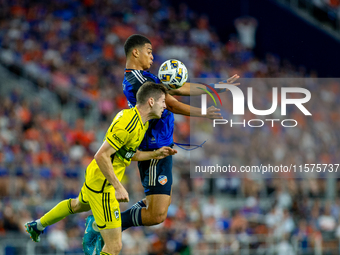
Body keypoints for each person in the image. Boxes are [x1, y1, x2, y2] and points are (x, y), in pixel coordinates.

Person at [83, 34, 240, 254]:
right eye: (149, 51)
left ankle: (105, 225)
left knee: (157, 213)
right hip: (153, 147)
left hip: (161, 145)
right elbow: (172, 104)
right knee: (156, 214)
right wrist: (203, 112)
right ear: (135, 52)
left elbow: (176, 88)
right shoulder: (137, 80)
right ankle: (103, 226)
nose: (152, 55)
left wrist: (213, 88)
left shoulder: (143, 76)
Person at [24, 81, 177, 255]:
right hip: (104, 187)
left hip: (95, 176)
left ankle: (37, 225)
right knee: (114, 246)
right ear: (151, 101)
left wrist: (155, 154)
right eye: (163, 101)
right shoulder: (129, 125)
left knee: (77, 205)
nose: (166, 105)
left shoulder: (138, 122)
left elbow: (126, 154)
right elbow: (101, 155)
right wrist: (118, 187)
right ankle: (93, 225)